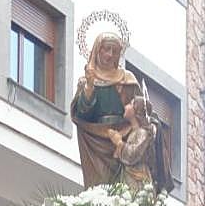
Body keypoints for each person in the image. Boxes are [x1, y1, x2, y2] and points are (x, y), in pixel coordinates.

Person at [70, 32, 172, 192]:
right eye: (106, 49)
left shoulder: (127, 78)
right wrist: (89, 88)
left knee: (125, 189)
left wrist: (151, 125)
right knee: (101, 189)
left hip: (126, 134)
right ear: (98, 51)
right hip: (96, 140)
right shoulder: (87, 80)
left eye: (115, 51)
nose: (110, 55)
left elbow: (142, 108)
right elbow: (81, 115)